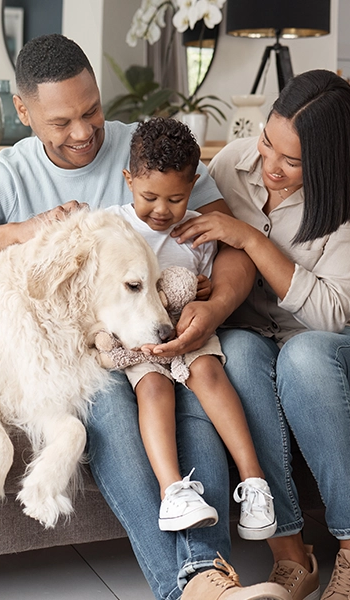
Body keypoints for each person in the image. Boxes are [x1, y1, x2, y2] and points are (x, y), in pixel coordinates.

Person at [0, 34, 288, 600]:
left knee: (192, 393)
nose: (83, 133)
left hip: (164, 336)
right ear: (23, 112)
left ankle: (209, 575)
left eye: (92, 111)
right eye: (61, 122)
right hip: (77, 357)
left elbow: (231, 245)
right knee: (106, 406)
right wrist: (24, 232)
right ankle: (193, 586)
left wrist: (213, 306)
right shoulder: (7, 176)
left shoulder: (148, 153)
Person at [170, 69, 350, 600]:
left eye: (292, 162)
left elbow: (331, 314)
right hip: (255, 335)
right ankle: (291, 555)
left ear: (328, 162)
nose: (270, 166)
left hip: (341, 344)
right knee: (237, 355)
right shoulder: (229, 165)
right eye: (268, 143)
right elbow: (188, 245)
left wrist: (248, 238)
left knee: (305, 357)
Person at [105, 117, 276, 540]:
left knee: (210, 374)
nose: (162, 210)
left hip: (189, 332)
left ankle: (255, 483)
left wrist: (204, 288)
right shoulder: (112, 227)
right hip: (142, 341)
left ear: (194, 185)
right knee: (153, 388)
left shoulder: (198, 228)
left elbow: (209, 281)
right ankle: (173, 491)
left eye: (176, 199)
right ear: (128, 181)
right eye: (149, 197)